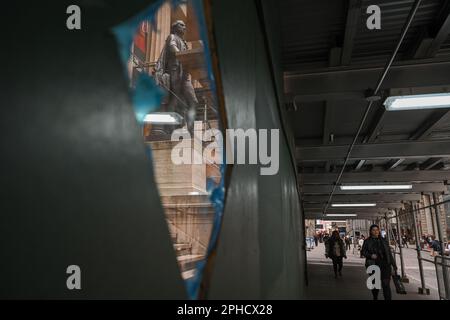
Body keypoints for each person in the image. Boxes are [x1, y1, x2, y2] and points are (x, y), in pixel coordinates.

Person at [362, 224, 398, 300]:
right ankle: (375, 297)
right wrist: (370, 255)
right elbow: (363, 252)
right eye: (373, 230)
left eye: (377, 230)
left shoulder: (384, 240)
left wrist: (394, 266)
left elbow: (389, 254)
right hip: (373, 264)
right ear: (371, 231)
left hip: (385, 265)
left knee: (386, 284)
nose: (375, 231)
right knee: (375, 285)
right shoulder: (367, 241)